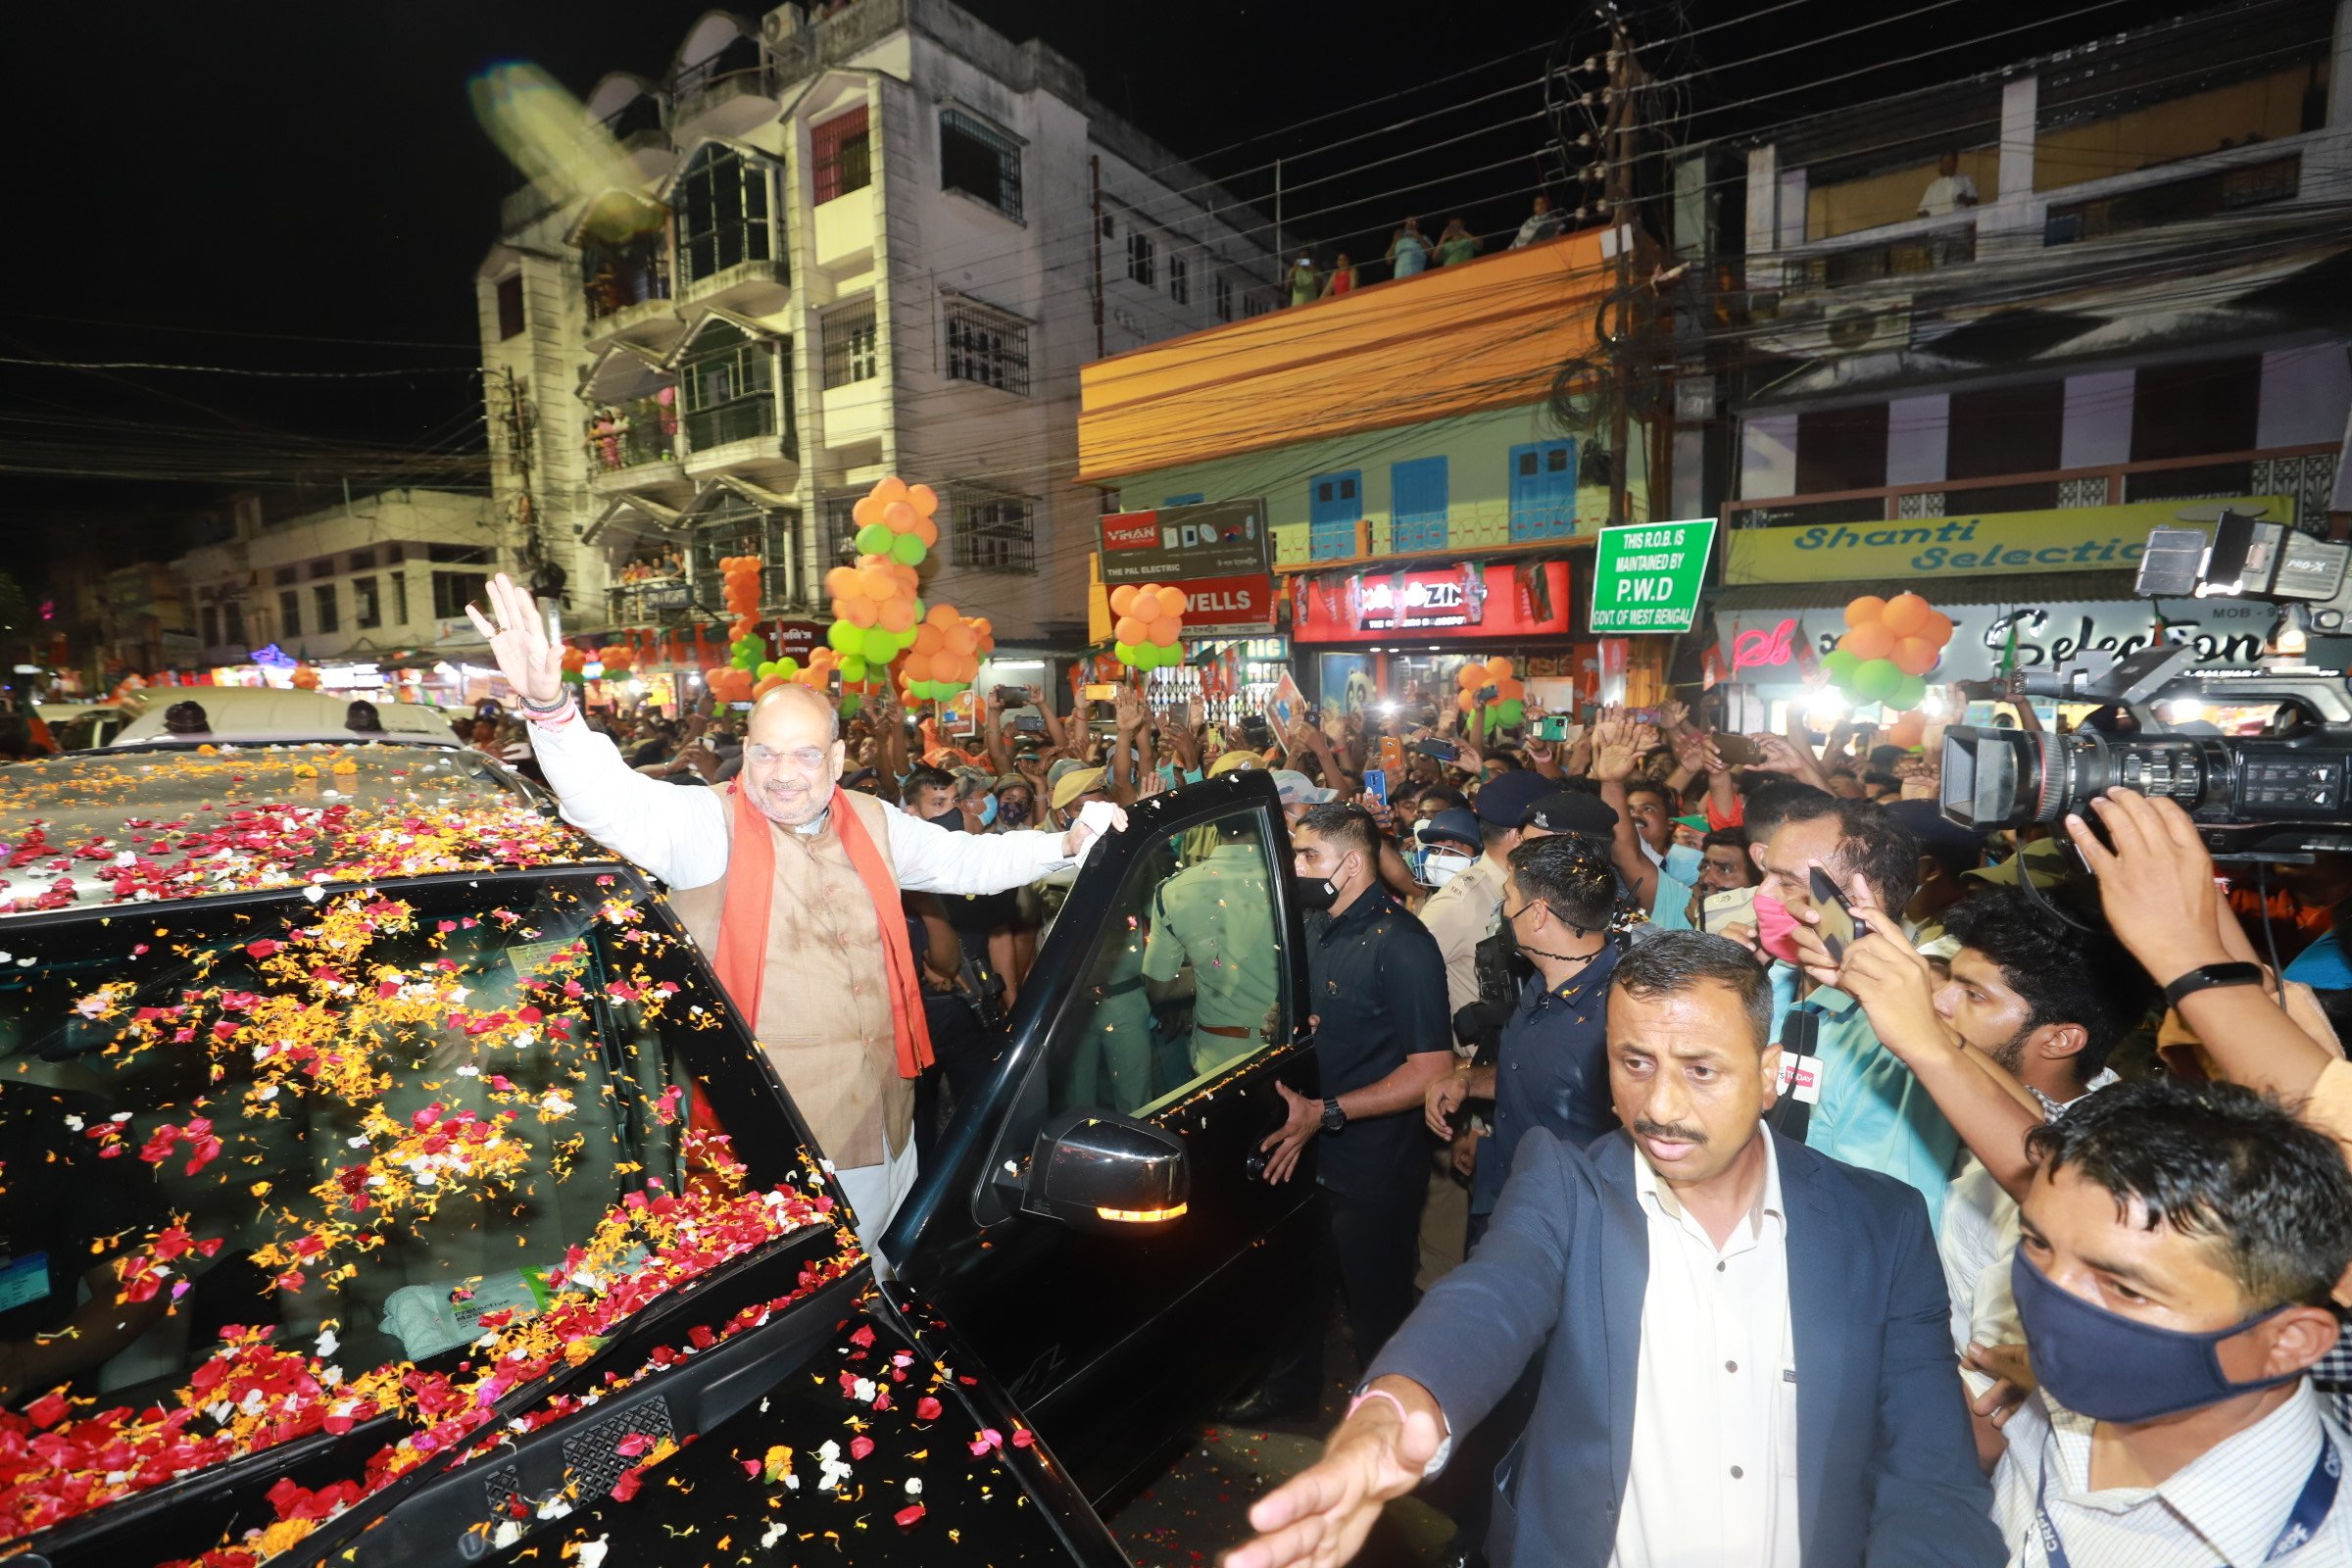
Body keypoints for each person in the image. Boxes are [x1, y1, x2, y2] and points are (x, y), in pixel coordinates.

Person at [1230, 930, 2002, 1568]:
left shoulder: (1880, 1225)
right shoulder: (1567, 1186)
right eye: (1635, 1064)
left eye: (1701, 1070)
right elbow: (1489, 1299)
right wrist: (1393, 1414)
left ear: (1771, 1077)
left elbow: (1931, 1479)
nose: (1660, 1107)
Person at [463, 574, 1124, 1253]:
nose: (783, 773)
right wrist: (549, 707)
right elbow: (608, 802)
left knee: (889, 1279)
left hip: (892, 1126)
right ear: (744, 750)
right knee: (821, 1303)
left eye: (805, 754)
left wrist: (1067, 845)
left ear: (836, 759)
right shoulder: (706, 826)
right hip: (784, 1141)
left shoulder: (871, 818)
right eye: (766, 752)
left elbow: (967, 864)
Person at [1994, 1078, 2352, 1562]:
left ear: (2288, 1342)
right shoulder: (2076, 1396)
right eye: (2038, 1243)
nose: (2049, 1299)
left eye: (2123, 1288)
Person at [1229, 803, 1452, 1422]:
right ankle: (1290, 1391)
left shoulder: (1404, 946)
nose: (1296, 868)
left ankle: (1391, 1427)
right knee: (1297, 1284)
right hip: (1307, 1151)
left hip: (1374, 1167)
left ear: (1352, 862)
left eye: (1308, 857)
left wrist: (1326, 1111)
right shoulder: (1311, 924)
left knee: (1375, 1309)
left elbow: (1433, 1071)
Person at [1425, 833, 1625, 1246]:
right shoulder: (1540, 981)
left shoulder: (1622, 1018)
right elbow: (1536, 1072)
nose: (1504, 911)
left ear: (1537, 914)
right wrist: (1468, 1083)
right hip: (1502, 1199)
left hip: (1561, 1238)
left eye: (1509, 897)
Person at [1142, 816, 1281, 1080]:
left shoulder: (1173, 891)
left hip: (1217, 1059)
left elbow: (1160, 987)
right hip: (1291, 1049)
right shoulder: (1294, 879)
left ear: (1215, 823)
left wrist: (1211, 968)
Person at [1418, 771, 1546, 1038]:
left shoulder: (1540, 889)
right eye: (1551, 833)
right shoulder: (1457, 904)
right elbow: (1397, 988)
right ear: (1518, 837)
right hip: (1483, 1067)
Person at [1917, 149, 1981, 218]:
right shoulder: (1933, 186)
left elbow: (1974, 200)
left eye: (1950, 162)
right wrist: (1929, 219)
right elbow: (1921, 211)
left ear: (1956, 163)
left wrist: (1964, 199)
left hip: (1959, 221)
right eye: (1944, 163)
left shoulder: (1965, 180)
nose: (1947, 165)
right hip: (1938, 224)